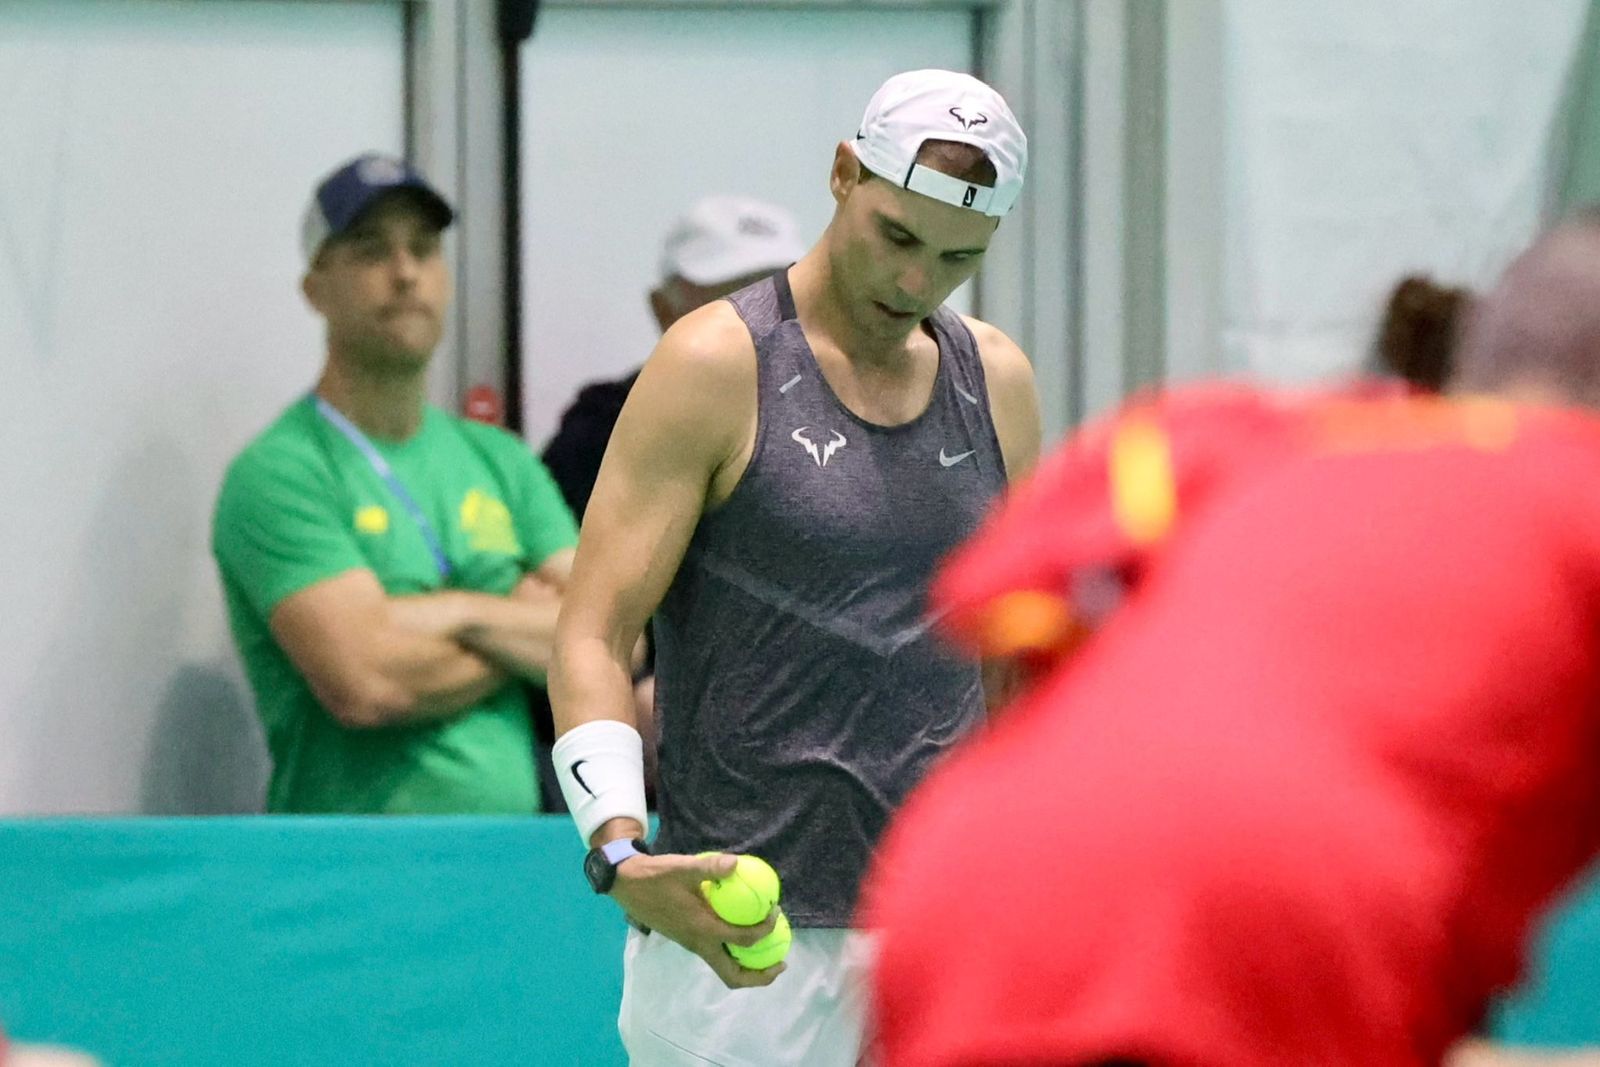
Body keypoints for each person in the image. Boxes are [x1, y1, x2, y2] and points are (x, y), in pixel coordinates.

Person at [862, 216, 1600, 1067]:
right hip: (1288, 906)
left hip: (965, 875)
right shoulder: (1576, 489)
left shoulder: (1247, 434)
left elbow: (997, 589)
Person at [548, 69, 1041, 1065]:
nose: (917, 282)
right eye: (897, 236)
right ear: (843, 173)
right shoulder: (713, 364)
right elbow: (594, 631)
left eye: (958, 256)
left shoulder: (997, 380)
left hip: (940, 934)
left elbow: (1016, 663)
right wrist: (618, 847)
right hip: (739, 948)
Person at [212, 153, 578, 814]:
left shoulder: (499, 457)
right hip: (354, 861)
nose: (406, 272)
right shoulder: (281, 471)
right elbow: (368, 683)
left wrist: (452, 615)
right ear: (315, 288)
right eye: (370, 249)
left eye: (424, 248)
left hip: (510, 856)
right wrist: (523, 624)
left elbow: (613, 638)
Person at [530, 197, 807, 812]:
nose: (754, 321)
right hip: (659, 774)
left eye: (775, 297)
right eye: (728, 298)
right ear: (664, 308)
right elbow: (583, 628)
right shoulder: (599, 433)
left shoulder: (865, 424)